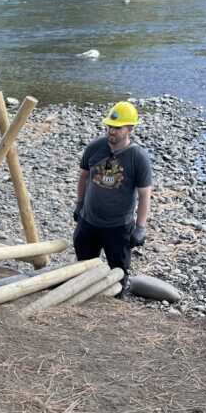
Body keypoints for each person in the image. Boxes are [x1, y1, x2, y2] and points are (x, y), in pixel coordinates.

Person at [73, 101, 153, 290]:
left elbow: (144, 195)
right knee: (83, 268)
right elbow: (83, 176)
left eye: (117, 128)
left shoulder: (138, 157)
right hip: (88, 222)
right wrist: (79, 203)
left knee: (118, 272)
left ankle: (116, 301)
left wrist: (140, 227)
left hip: (118, 228)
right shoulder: (95, 148)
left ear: (130, 129)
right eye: (110, 126)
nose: (111, 131)